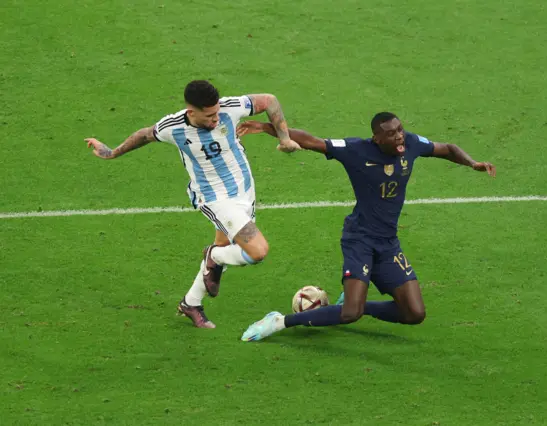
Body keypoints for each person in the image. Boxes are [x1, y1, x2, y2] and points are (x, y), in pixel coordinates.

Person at [235, 112, 496, 341]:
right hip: (359, 239)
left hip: (388, 242)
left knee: (414, 313)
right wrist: (270, 129)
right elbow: (313, 141)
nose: (399, 137)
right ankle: (278, 321)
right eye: (391, 134)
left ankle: (357, 304)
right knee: (350, 314)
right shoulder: (356, 150)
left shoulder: (412, 143)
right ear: (376, 139)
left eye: (400, 130)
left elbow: (448, 148)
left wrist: (472, 163)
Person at [85, 80, 300, 328]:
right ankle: (214, 257)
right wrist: (111, 152)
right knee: (257, 251)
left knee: (224, 244)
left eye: (217, 112)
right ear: (191, 112)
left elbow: (270, 100)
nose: (216, 119)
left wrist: (284, 138)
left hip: (245, 191)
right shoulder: (173, 127)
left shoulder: (231, 107)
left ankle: (191, 303)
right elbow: (144, 135)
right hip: (215, 198)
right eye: (209, 116)